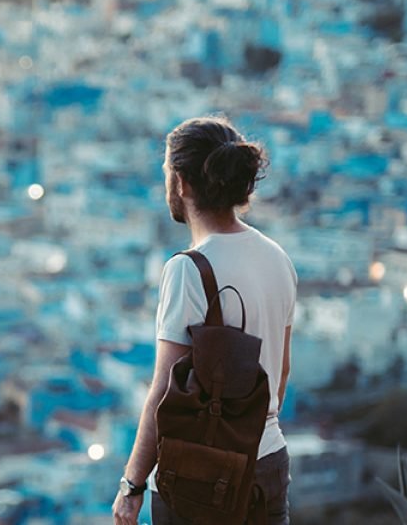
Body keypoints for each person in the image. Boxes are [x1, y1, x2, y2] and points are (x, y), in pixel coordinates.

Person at [112, 116, 298, 525]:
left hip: (202, 476)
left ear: (181, 183)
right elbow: (280, 371)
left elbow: (163, 390)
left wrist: (132, 485)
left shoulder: (189, 269)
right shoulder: (277, 258)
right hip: (269, 460)